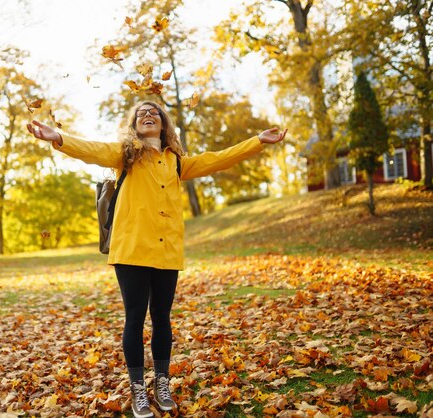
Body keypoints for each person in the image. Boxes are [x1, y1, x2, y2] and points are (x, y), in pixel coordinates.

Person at [27, 100, 286, 417]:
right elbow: (91, 149)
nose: (147, 116)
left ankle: (162, 383)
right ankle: (138, 389)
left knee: (162, 317)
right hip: (132, 248)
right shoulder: (125, 155)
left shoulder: (178, 162)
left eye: (154, 113)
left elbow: (218, 160)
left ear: (164, 124)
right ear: (133, 125)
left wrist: (257, 141)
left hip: (166, 249)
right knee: (135, 318)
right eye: (141, 114)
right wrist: (59, 137)